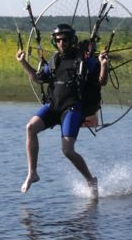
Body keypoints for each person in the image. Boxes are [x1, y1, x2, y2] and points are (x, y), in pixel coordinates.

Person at [16, 23, 109, 194]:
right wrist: (23, 63)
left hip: (71, 108)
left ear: (72, 40)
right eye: (58, 40)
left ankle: (90, 179)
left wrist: (103, 65)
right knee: (30, 128)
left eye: (65, 39)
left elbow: (102, 82)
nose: (61, 43)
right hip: (53, 106)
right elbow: (37, 78)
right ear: (54, 42)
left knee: (67, 150)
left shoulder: (84, 60)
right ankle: (32, 173)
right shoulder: (54, 60)